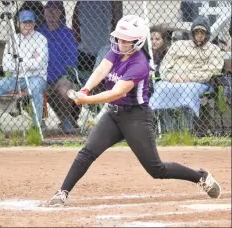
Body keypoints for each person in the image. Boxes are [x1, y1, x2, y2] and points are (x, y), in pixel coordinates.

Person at [46, 15, 222, 207]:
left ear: (137, 42)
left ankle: (201, 177)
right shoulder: (116, 51)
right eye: (119, 38)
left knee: (157, 170)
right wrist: (85, 89)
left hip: (136, 118)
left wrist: (86, 100)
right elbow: (101, 70)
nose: (120, 42)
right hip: (113, 115)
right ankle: (62, 193)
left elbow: (116, 92)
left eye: (125, 40)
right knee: (87, 152)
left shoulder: (139, 64)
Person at [149, 15, 224, 132]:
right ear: (192, 33)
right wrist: (172, 77)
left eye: (202, 32)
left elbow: (213, 70)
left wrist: (188, 78)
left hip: (196, 83)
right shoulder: (179, 45)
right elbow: (164, 68)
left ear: (207, 34)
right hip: (172, 80)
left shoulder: (213, 49)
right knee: (162, 89)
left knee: (187, 91)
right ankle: (170, 132)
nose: (199, 35)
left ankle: (186, 131)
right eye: (196, 32)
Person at [0, 10, 48, 131]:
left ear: (34, 23)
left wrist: (18, 61)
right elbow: (5, 65)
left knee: (35, 88)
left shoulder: (41, 39)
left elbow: (38, 64)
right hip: (15, 78)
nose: (27, 25)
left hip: (36, 78)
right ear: (18, 24)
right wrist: (28, 61)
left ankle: (36, 128)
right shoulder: (13, 39)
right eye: (24, 22)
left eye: (30, 22)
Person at [36, 1, 79, 134]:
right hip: (41, 75)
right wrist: (45, 78)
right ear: (44, 12)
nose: (51, 14)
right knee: (34, 86)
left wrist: (52, 77)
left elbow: (71, 61)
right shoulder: (38, 33)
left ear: (61, 13)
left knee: (64, 88)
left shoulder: (68, 33)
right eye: (48, 10)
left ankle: (65, 119)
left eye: (55, 10)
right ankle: (39, 121)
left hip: (60, 76)